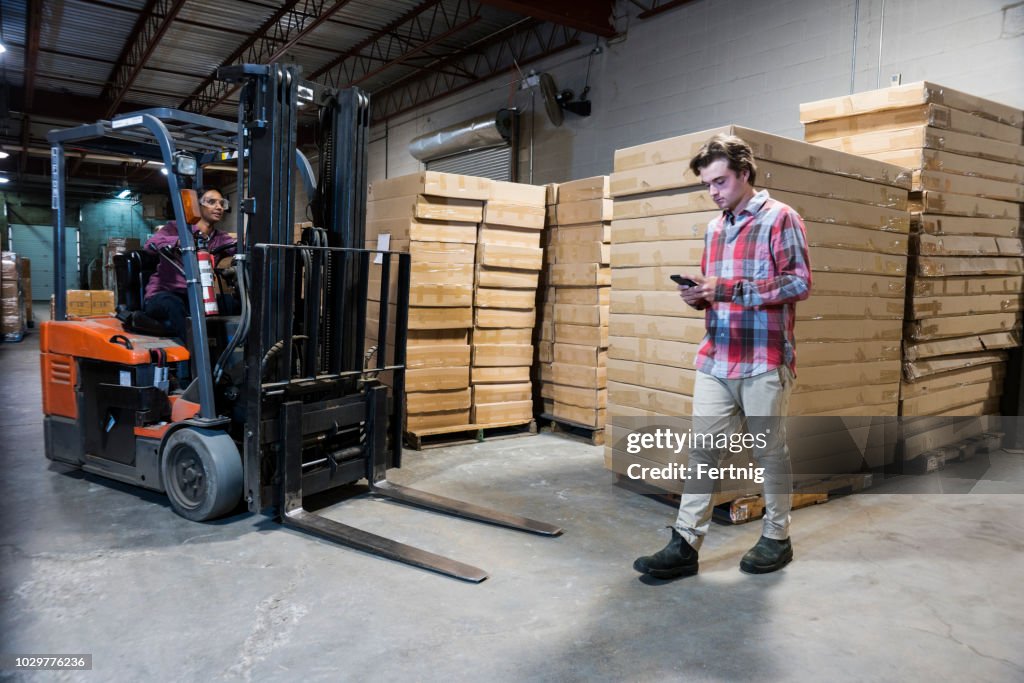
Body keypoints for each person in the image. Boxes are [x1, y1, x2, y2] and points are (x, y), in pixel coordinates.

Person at [633, 134, 812, 578]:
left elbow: (798, 283)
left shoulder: (780, 219)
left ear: (745, 174)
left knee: (768, 452)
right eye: (708, 185)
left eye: (721, 181)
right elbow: (719, 291)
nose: (714, 192)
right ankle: (685, 544)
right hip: (717, 357)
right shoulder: (716, 228)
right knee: (703, 450)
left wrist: (728, 290)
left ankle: (777, 537)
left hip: (763, 358)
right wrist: (700, 297)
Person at [139, 187, 236, 341]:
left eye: (221, 203)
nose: (218, 207)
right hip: (164, 294)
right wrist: (179, 241)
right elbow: (150, 244)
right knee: (175, 305)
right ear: (197, 207)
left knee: (230, 303)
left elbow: (238, 248)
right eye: (211, 202)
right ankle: (197, 360)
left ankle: (226, 352)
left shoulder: (220, 238)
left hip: (196, 296)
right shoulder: (176, 228)